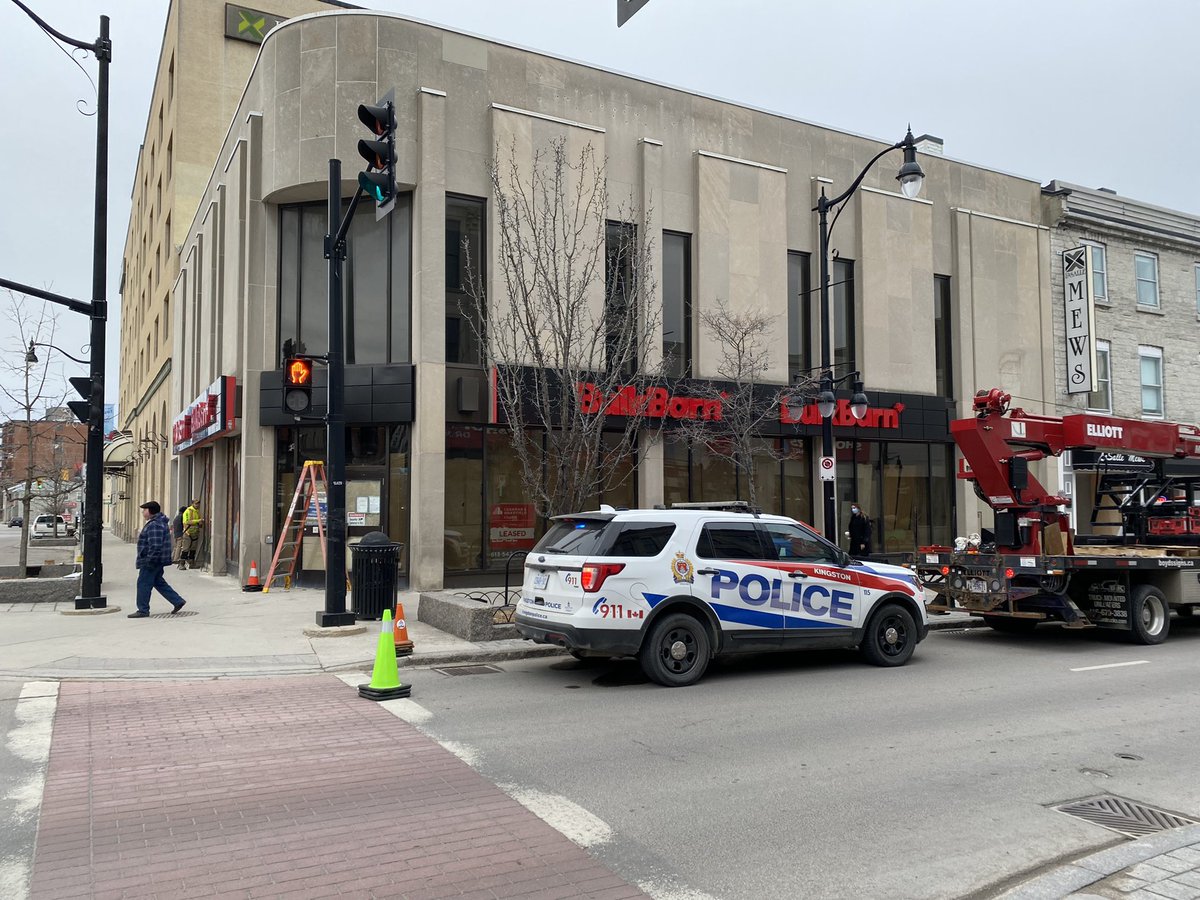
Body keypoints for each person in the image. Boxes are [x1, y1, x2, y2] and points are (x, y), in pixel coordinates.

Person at [130, 501, 186, 618]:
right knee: (158, 582)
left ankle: (143, 610)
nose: (142, 512)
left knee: (143, 584)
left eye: (144, 510)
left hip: (152, 561)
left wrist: (149, 560)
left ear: (150, 511)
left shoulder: (154, 525)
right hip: (157, 560)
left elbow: (155, 545)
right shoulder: (159, 523)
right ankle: (177, 601)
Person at [180, 498, 204, 570]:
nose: (197, 505)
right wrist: (198, 521)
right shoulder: (188, 511)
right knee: (185, 548)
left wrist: (200, 523)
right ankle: (182, 564)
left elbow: (199, 522)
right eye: (196, 503)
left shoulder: (198, 512)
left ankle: (191, 563)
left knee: (193, 549)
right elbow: (186, 522)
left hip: (195, 532)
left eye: (198, 504)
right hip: (188, 533)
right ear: (192, 504)